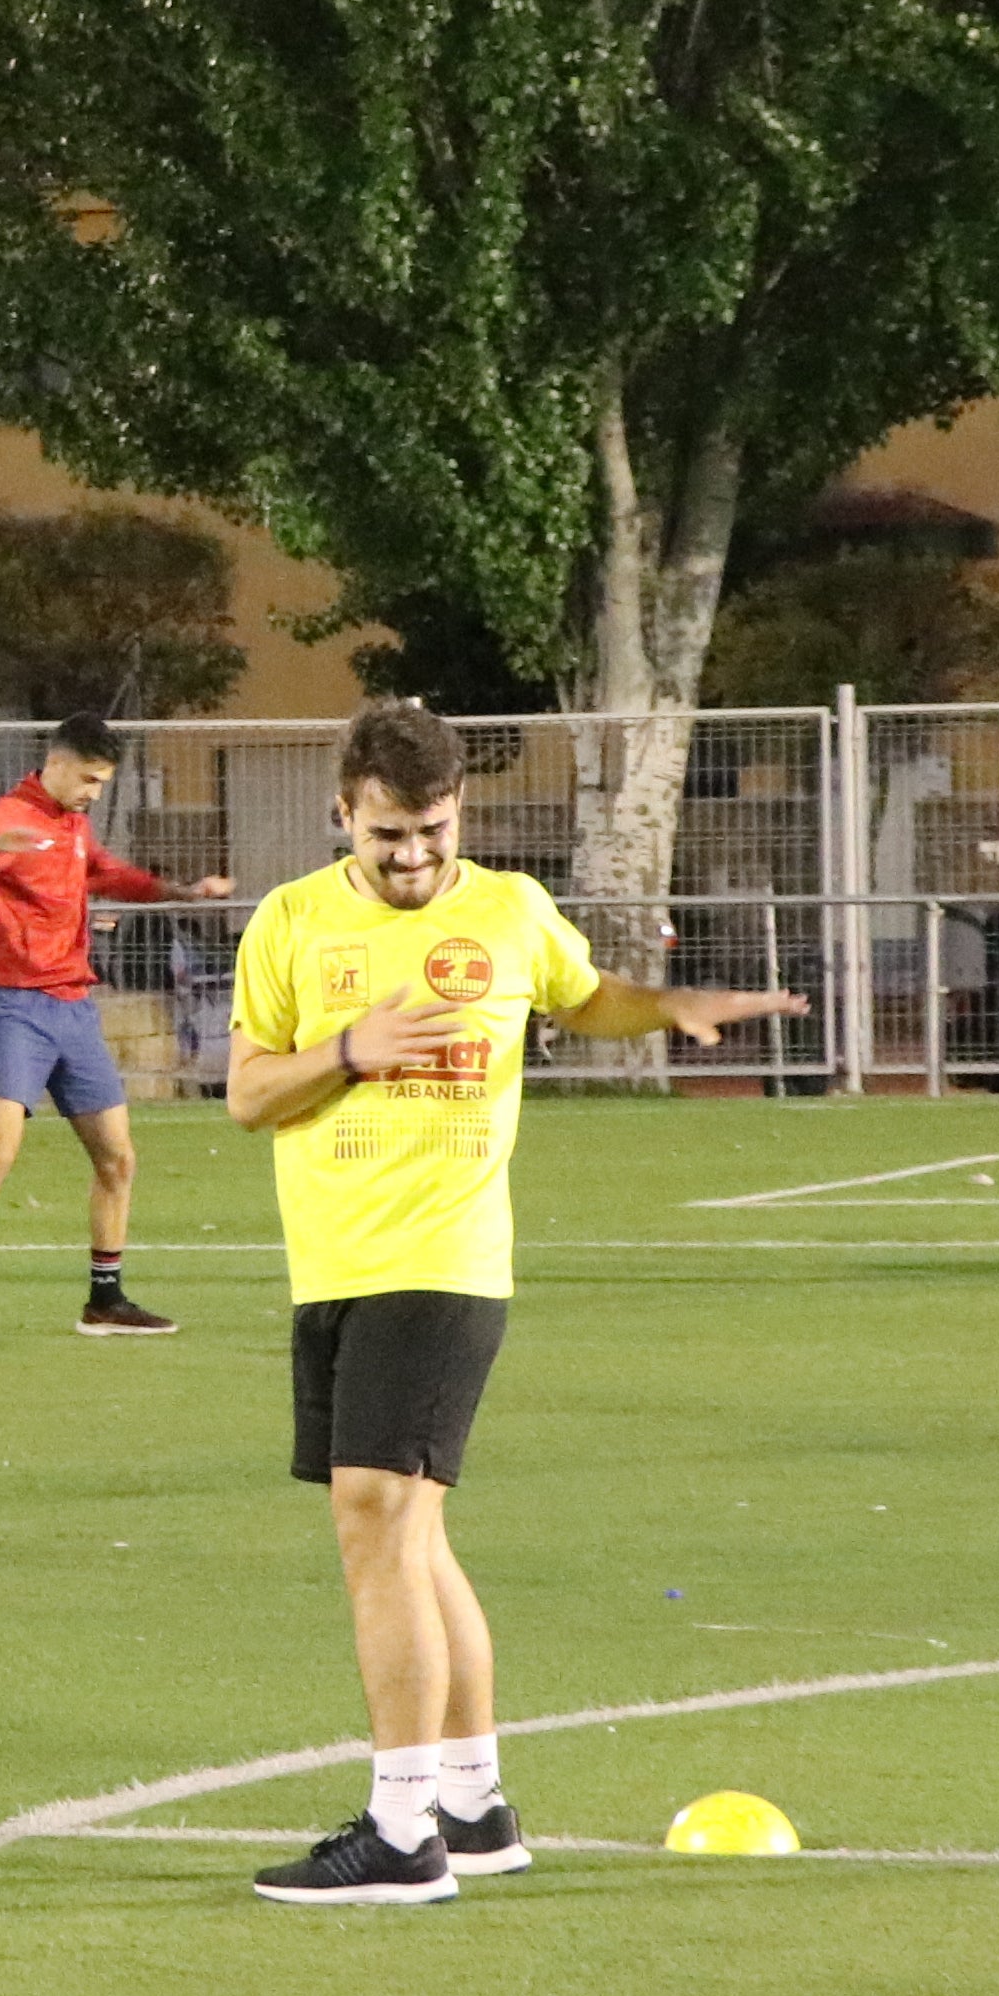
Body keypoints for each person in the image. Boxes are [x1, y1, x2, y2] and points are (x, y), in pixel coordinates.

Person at [222, 699, 797, 1902]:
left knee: (376, 1518)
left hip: (444, 1259)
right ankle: (478, 1807)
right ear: (344, 813)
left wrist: (667, 1007)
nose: (414, 856)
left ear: (458, 814)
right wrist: (349, 1051)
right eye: (389, 834)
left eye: (432, 830)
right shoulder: (286, 924)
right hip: (332, 1266)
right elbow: (247, 1094)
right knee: (410, 1540)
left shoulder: (511, 910)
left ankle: (402, 1830)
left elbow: (583, 998)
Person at [0, 714, 228, 1344]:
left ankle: (105, 1302)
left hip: (75, 1011)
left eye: (101, 782)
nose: (92, 792)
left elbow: (109, 875)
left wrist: (182, 893)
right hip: (18, 1011)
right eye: (87, 779)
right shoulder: (7, 818)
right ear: (54, 763)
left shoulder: (74, 826)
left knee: (117, 1159)